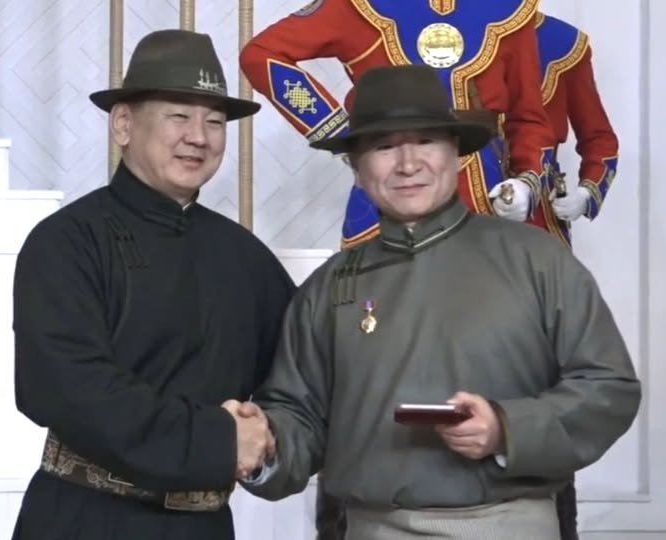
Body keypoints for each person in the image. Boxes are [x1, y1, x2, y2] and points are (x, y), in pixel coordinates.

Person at [226, 64, 642, 539]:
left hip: (510, 525)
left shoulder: (537, 260)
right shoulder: (328, 288)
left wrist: (506, 429)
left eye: (425, 141)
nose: (408, 164)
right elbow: (298, 418)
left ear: (456, 154)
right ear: (357, 170)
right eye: (384, 147)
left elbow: (608, 388)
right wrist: (260, 445)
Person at [9, 29, 293, 540]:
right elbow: (68, 389)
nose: (199, 137)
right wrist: (219, 439)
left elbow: (299, 376)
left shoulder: (246, 257)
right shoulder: (66, 241)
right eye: (178, 116)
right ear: (123, 124)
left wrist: (269, 436)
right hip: (85, 519)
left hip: (205, 526)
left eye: (214, 122)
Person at [239, 0, 558, 248]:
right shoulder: (356, 6)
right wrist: (339, 131)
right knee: (375, 304)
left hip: (484, 192)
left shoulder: (509, 9)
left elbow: (528, 117)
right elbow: (261, 54)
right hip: (387, 193)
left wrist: (527, 181)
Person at [535, 11, 620, 247]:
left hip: (538, 214)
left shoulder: (562, 42)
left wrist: (585, 194)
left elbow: (599, 139)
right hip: (462, 204)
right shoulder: (453, 33)